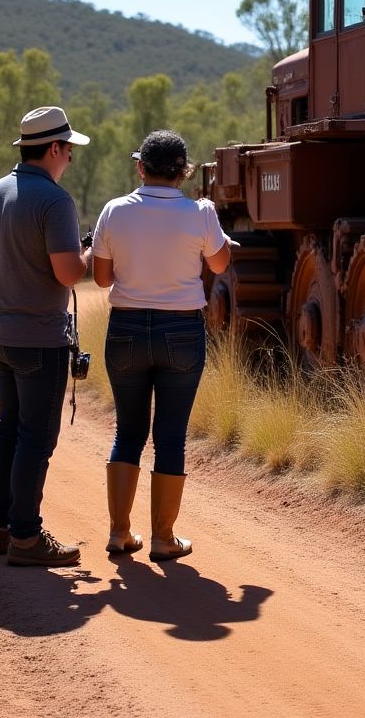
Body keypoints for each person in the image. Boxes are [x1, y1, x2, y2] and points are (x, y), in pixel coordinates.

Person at [92, 129, 231, 561]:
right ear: (183, 172)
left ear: (140, 168)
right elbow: (221, 263)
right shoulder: (201, 212)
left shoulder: (114, 211)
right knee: (170, 436)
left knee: (128, 431)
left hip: (127, 327)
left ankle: (120, 533)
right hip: (181, 331)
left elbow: (100, 278)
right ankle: (163, 538)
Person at [0, 106, 91, 567]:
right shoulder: (55, 202)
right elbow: (67, 274)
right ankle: (26, 536)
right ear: (55, 148)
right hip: (38, 339)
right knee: (36, 439)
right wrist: (88, 252)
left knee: (8, 429)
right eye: (69, 151)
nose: (70, 160)